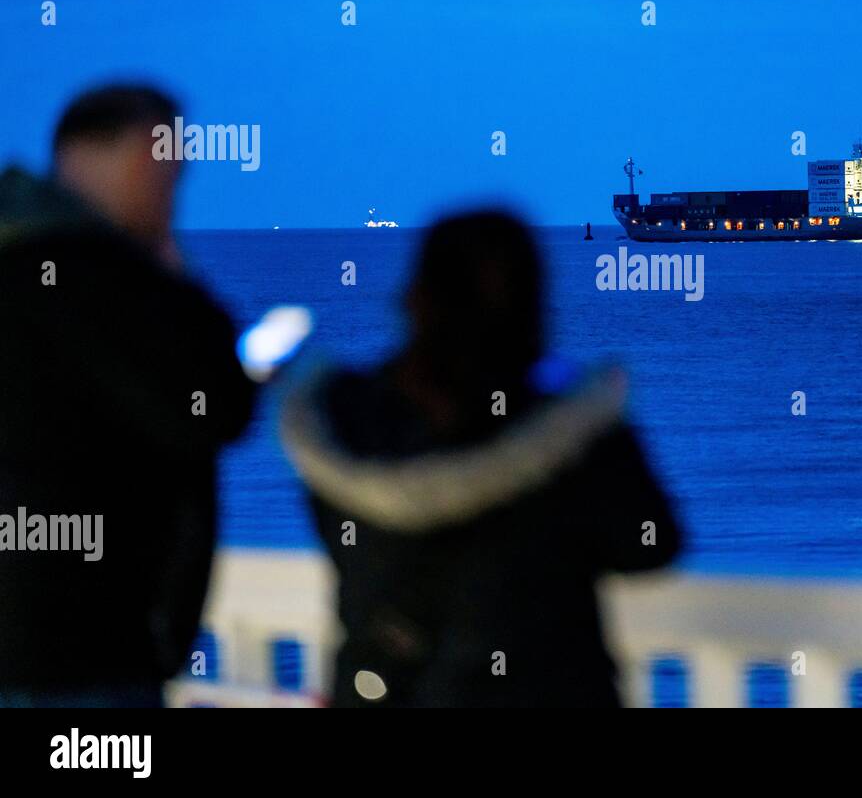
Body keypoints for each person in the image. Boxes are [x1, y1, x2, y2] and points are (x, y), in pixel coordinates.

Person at [281, 212, 681, 707]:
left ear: (418, 294)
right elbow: (651, 544)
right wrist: (594, 412)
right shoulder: (569, 425)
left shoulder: (344, 420)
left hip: (386, 690)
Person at [0, 84, 256, 707]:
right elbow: (211, 406)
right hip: (77, 653)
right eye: (170, 165)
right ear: (140, 156)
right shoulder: (100, 279)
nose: (177, 184)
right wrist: (172, 272)